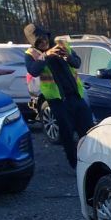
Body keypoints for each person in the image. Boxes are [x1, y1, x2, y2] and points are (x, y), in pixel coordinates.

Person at [23, 24, 92, 169]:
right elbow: (33, 71)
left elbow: (77, 63)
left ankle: (91, 161)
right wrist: (46, 55)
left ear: (47, 35)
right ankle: (75, 164)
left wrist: (67, 56)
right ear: (34, 43)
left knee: (88, 131)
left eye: (44, 38)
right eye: (39, 42)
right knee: (67, 133)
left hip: (76, 95)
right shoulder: (31, 54)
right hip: (57, 101)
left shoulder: (61, 44)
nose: (43, 43)